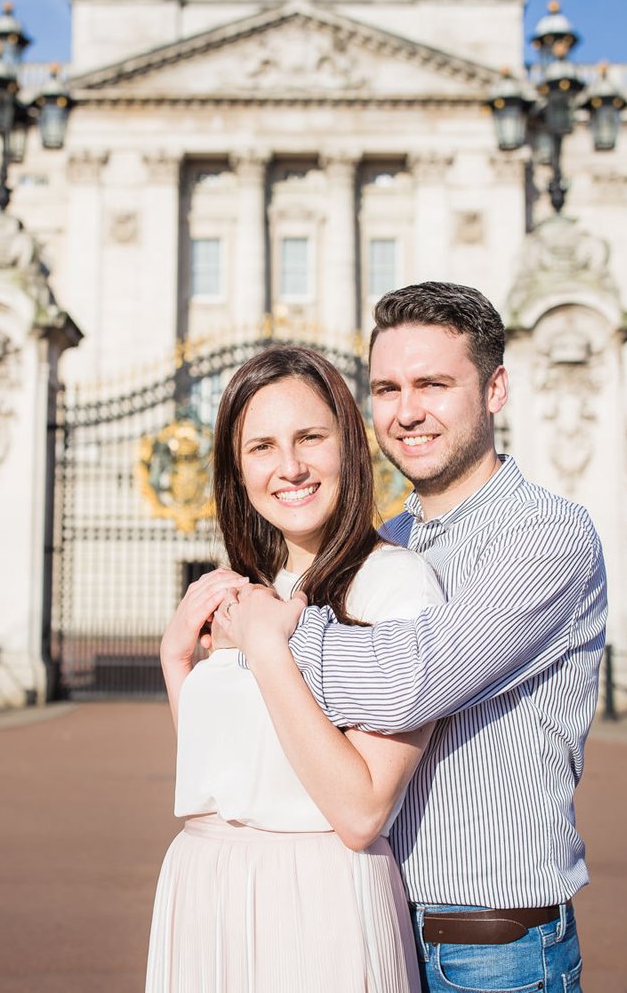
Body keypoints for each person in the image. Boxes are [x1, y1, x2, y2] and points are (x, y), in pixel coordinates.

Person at [216, 281, 608, 993]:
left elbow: (411, 680)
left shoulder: (547, 536)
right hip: (370, 921)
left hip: (492, 943)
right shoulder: (385, 545)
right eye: (388, 387)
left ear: (495, 389)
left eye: (433, 384)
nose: (407, 412)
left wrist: (269, 631)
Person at [147, 345, 446, 993]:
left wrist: (267, 649)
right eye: (262, 447)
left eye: (310, 437)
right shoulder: (258, 585)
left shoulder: (396, 585)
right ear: (236, 468)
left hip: (312, 900)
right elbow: (231, 773)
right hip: (203, 888)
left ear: (348, 445)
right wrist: (176, 662)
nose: (289, 467)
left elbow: (362, 810)